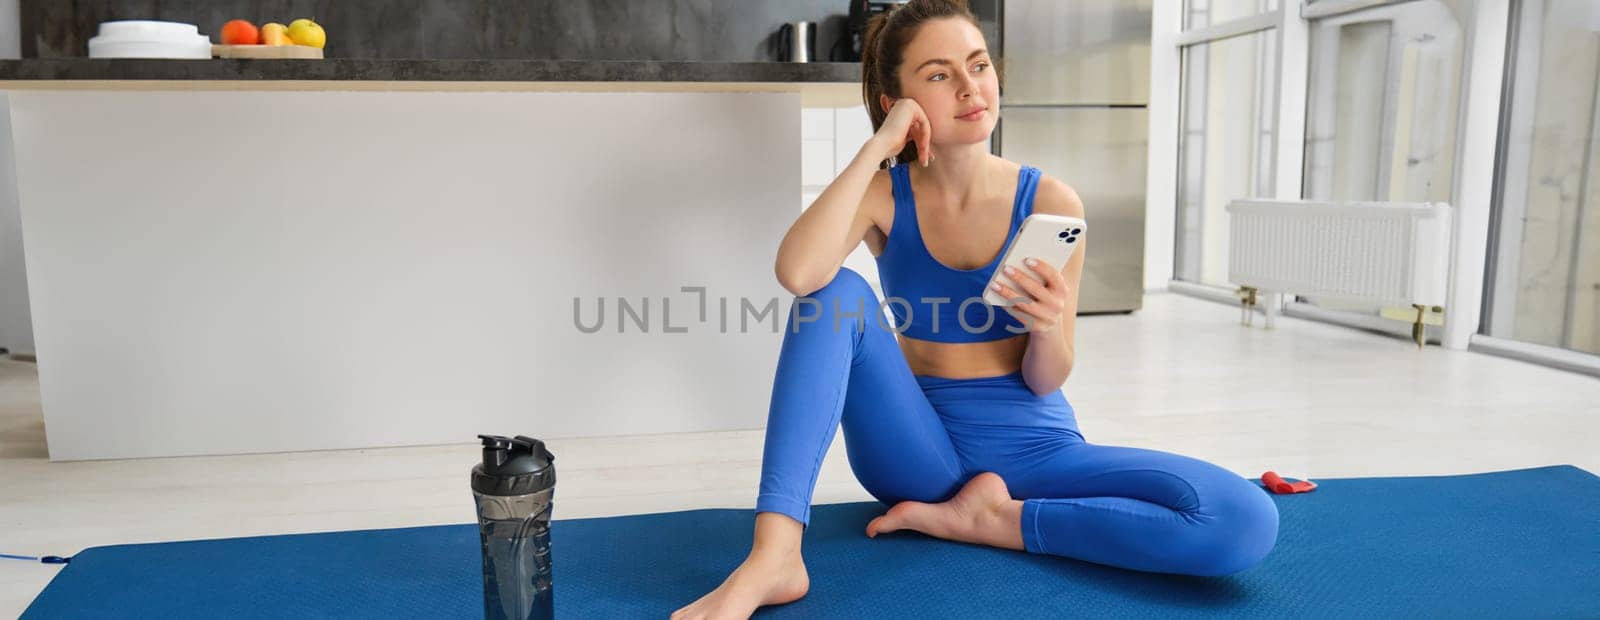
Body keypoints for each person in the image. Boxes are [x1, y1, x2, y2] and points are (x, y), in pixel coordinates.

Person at [672, 2, 1278, 618]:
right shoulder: (885, 195)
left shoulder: (1050, 199)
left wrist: (1045, 328)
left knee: (1242, 518)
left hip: (1036, 449)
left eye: (979, 65)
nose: (969, 88)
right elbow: (798, 273)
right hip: (915, 448)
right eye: (938, 75)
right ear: (896, 101)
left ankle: (995, 521)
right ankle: (774, 556)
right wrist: (880, 147)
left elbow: (1049, 377)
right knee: (834, 294)